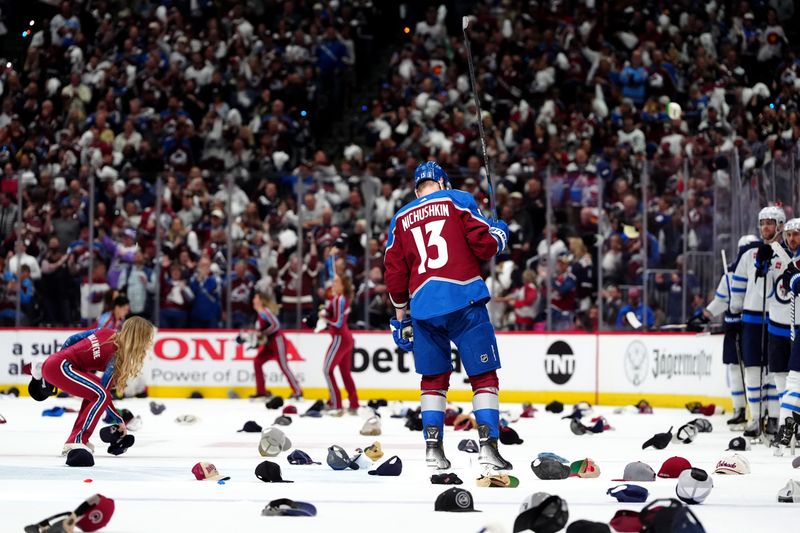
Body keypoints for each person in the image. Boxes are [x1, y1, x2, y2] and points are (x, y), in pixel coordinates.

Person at [383, 161, 511, 471]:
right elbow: (484, 247)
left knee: (433, 380)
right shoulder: (458, 199)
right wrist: (500, 233)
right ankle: (488, 449)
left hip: (425, 309)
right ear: (443, 182)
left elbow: (395, 275)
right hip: (464, 299)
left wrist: (402, 318)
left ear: (416, 189)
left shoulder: (400, 218)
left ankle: (433, 451)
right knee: (483, 376)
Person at [40, 316, 155, 455]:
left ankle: (78, 439)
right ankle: (76, 440)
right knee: (101, 394)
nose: (150, 342)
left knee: (96, 392)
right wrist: (119, 420)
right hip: (62, 367)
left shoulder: (106, 332)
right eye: (148, 338)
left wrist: (60, 357)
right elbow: (104, 393)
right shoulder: (118, 356)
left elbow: (72, 339)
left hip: (57, 363)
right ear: (138, 338)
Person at [691, 235, 759, 429]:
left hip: (753, 327)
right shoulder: (730, 275)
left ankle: (759, 414)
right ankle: (739, 410)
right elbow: (721, 300)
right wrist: (704, 316)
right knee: (735, 370)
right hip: (733, 327)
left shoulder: (763, 275)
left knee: (756, 372)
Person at [730, 206, 785, 437]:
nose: (765, 227)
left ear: (780, 225)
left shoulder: (785, 253)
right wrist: (733, 313)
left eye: (770, 222)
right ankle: (755, 417)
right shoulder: (749, 254)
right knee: (752, 370)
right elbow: (738, 287)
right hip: (751, 319)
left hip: (775, 319)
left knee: (773, 371)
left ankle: (773, 418)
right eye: (763, 223)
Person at [249, 293, 303, 400]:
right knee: (257, 362)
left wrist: (263, 333)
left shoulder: (265, 312)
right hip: (269, 343)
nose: (253, 299)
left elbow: (276, 325)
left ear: (260, 300)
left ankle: (297, 391)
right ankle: (261, 391)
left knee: (283, 365)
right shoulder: (259, 314)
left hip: (277, 341)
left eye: (255, 297)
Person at [318, 274, 359, 415]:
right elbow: (332, 314)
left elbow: (338, 322)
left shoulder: (340, 299)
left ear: (343, 286)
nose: (333, 284)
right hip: (345, 338)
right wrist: (325, 312)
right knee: (345, 373)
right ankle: (353, 404)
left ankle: (336, 404)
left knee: (327, 370)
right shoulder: (337, 299)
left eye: (336, 282)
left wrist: (325, 318)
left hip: (340, 338)